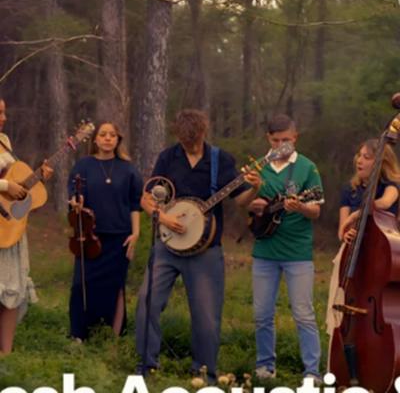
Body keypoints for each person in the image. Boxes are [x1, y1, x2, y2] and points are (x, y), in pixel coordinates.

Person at [135, 109, 261, 383]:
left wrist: (255, 188)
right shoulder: (168, 157)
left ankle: (204, 374)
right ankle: (146, 366)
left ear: (203, 132)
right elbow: (147, 199)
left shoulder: (220, 160)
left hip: (206, 251)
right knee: (147, 301)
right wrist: (163, 218)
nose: (190, 146)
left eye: (193, 141)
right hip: (167, 246)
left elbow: (241, 200)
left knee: (206, 316)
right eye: (185, 142)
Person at [248, 114, 323, 382]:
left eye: (286, 140)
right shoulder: (259, 166)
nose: (281, 146)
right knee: (261, 314)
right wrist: (254, 204)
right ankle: (265, 367)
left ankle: (312, 371)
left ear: (295, 138)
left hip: (297, 252)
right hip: (264, 250)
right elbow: (246, 203)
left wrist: (300, 206)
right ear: (268, 138)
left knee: (303, 313)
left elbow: (316, 211)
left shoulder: (307, 168)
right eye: (276, 140)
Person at [68, 121, 143, 340]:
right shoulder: (83, 166)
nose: (108, 138)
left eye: (112, 135)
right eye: (103, 134)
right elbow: (74, 194)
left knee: (116, 287)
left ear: (118, 140)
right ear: (95, 140)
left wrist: (136, 234)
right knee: (81, 285)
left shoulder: (128, 169)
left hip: (120, 237)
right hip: (90, 236)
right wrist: (76, 202)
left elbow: (135, 204)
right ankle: (79, 335)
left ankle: (115, 337)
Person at [326, 139, 400, 354]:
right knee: (342, 308)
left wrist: (358, 214)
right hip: (350, 256)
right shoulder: (349, 190)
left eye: (367, 157)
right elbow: (342, 230)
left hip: (380, 257)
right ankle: (338, 359)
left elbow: (384, 203)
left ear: (381, 162)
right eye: (359, 155)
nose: (359, 160)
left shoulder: (391, 186)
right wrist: (346, 233)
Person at [0, 98, 53, 355]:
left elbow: (15, 184)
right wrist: (5, 186)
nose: (3, 118)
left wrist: (38, 177)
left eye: (3, 112)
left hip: (9, 227)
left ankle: (6, 353)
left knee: (12, 288)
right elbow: (7, 185)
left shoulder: (4, 142)